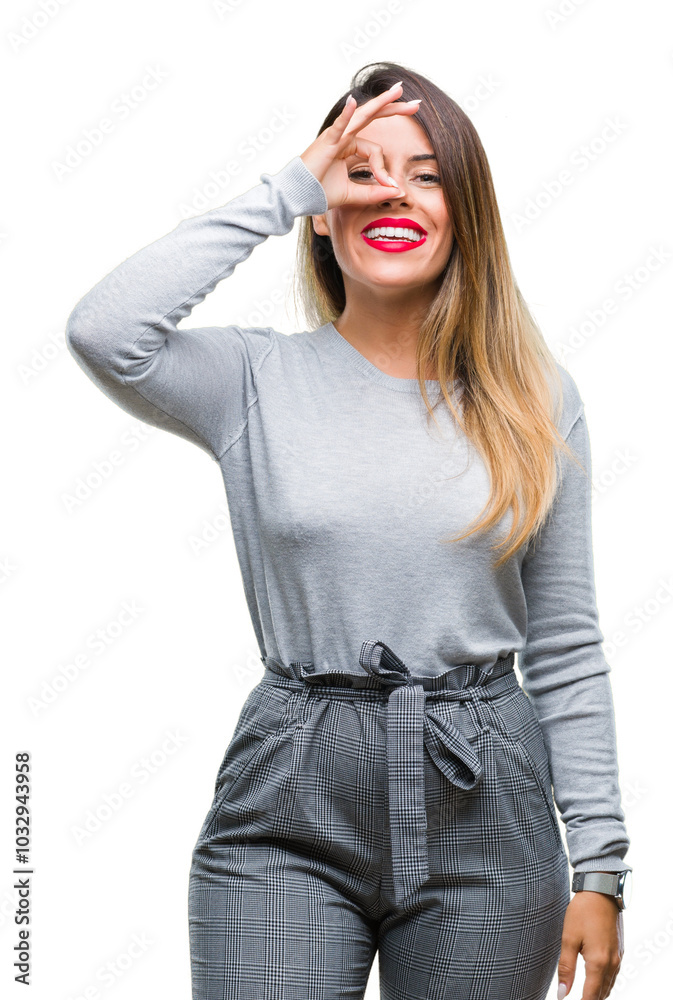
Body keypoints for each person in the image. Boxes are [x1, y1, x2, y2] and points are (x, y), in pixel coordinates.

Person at [65, 60, 632, 1000]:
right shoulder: (252, 382)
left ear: (465, 210)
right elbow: (104, 330)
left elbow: (567, 645)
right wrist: (286, 185)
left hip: (487, 797)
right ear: (321, 211)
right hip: (289, 791)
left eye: (422, 174)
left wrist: (602, 867)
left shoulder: (535, 400)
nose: (389, 195)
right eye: (358, 172)